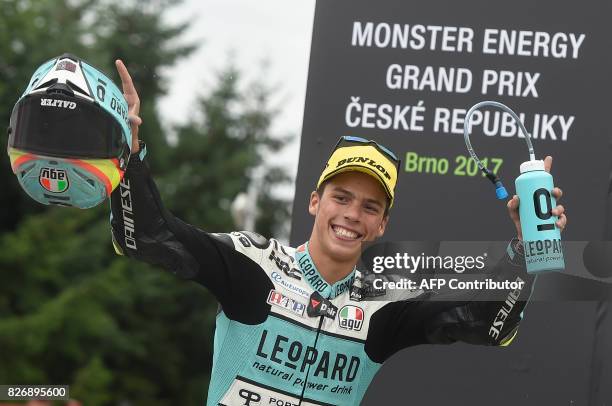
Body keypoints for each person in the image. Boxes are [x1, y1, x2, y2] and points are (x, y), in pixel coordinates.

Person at [110, 60, 567, 406]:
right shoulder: (253, 263)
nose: (352, 215)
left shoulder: (385, 305)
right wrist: (129, 155)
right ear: (315, 201)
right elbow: (149, 236)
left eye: (370, 206)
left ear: (382, 225)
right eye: (341, 197)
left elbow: (487, 321)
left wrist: (527, 248)